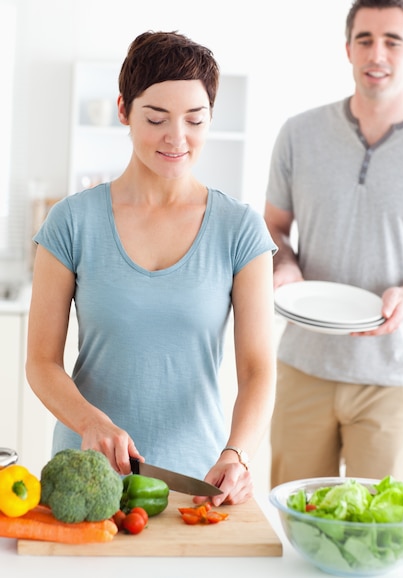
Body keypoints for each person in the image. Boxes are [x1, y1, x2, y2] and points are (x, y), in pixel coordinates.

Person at [26, 31, 277, 506]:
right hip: (85, 478)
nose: (176, 138)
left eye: (195, 120)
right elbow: (40, 362)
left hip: (199, 483)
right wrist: (91, 422)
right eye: (156, 118)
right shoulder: (71, 221)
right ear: (123, 110)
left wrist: (237, 454)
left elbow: (258, 368)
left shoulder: (239, 229)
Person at [264, 0, 403, 488]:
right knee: (290, 519)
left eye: (393, 40)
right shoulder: (299, 133)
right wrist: (283, 263)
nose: (377, 54)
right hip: (305, 365)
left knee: (381, 534)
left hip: (394, 377)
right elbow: (274, 228)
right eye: (365, 38)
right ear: (347, 48)